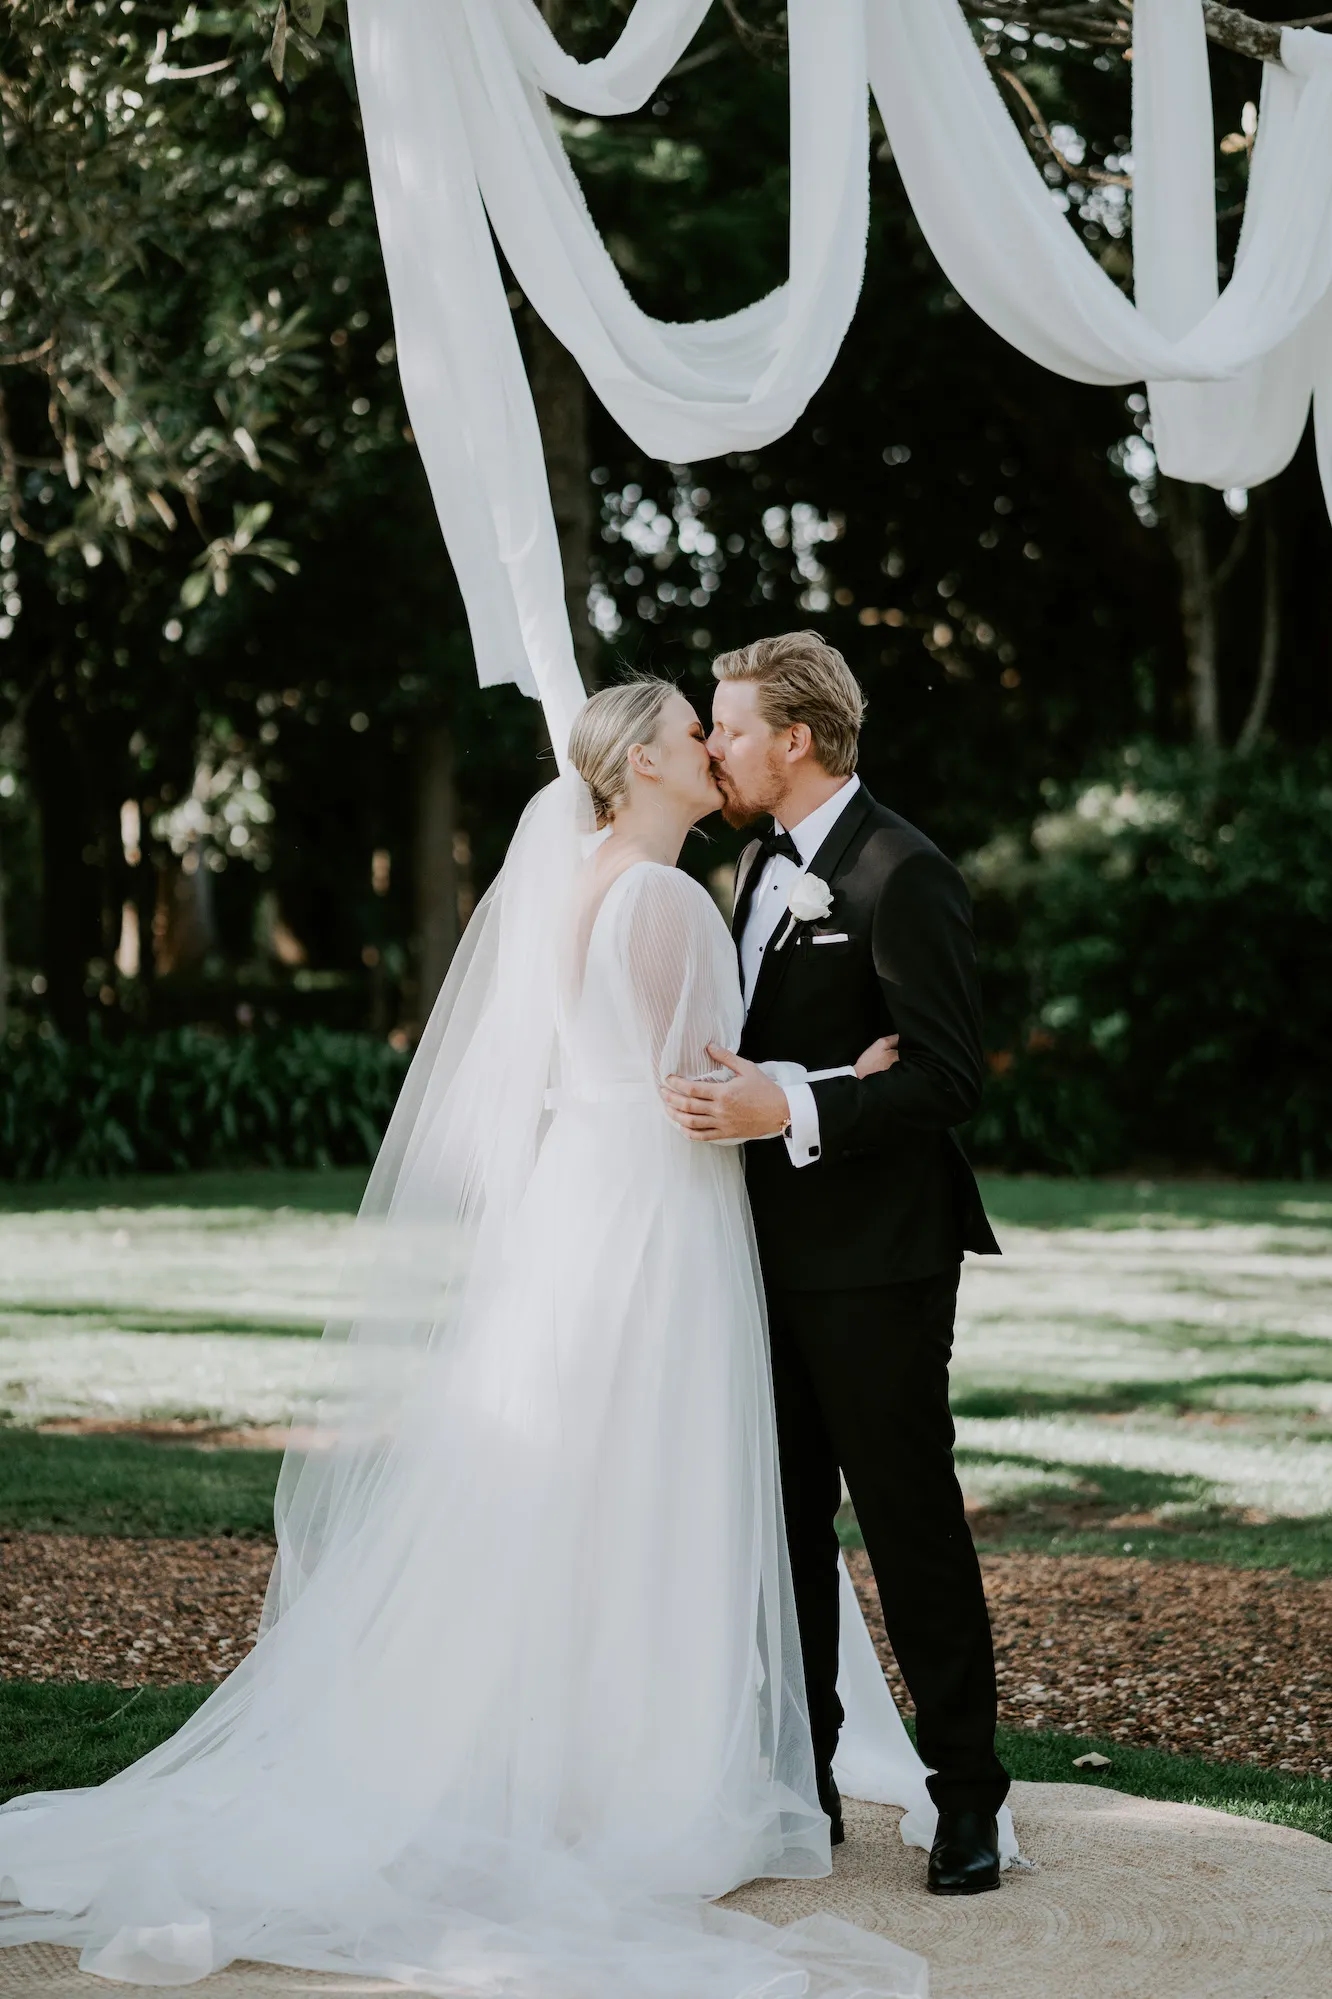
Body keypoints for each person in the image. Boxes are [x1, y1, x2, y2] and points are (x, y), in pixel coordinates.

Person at [0, 678, 930, 1999]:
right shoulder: (663, 897)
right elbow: (696, 1090)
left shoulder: (572, 881)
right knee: (651, 1477)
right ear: (639, 763)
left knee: (567, 1485)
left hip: (575, 1211)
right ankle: (642, 1767)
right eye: (686, 734)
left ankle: (550, 1748)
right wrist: (831, 1085)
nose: (706, 750)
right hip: (657, 1215)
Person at [661, 631, 1011, 1896]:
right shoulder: (757, 864)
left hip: (878, 1261)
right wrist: (794, 1087)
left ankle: (966, 1795)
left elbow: (949, 1077)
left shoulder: (898, 870)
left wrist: (796, 1113)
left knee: (909, 1522)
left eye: (729, 726)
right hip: (760, 1255)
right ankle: (800, 1786)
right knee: (787, 1526)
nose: (712, 745)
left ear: (793, 740)